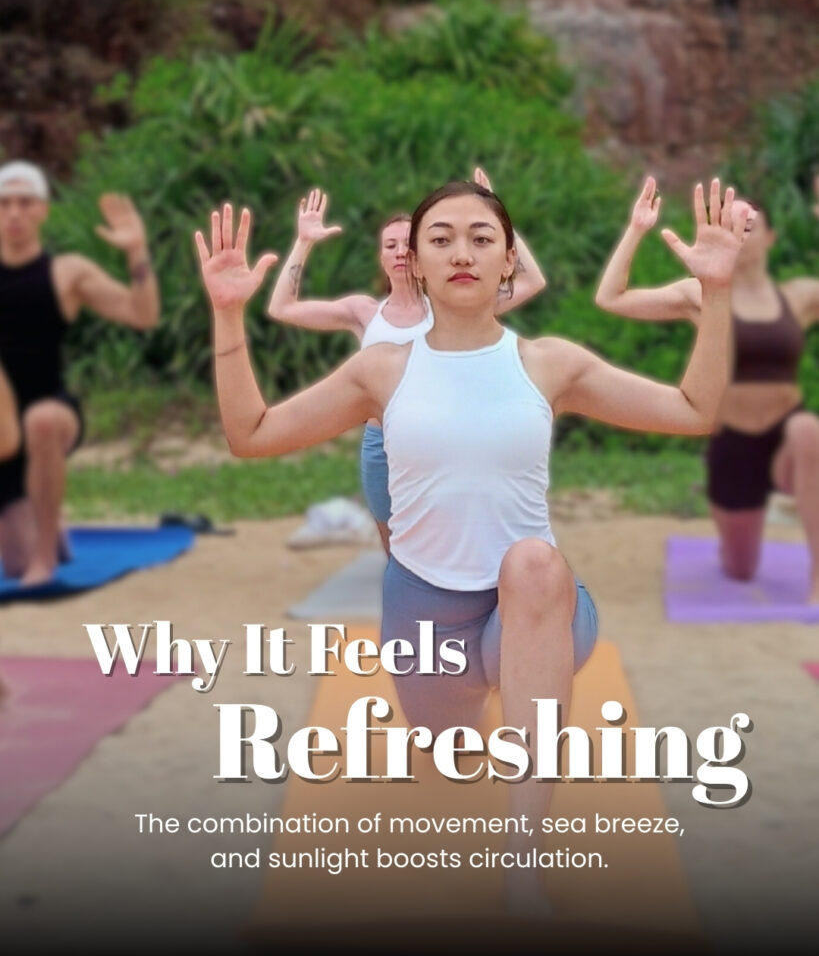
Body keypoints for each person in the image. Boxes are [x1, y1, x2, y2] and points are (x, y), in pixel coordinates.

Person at [196, 177, 747, 913]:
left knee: (532, 563)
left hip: (537, 606)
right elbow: (251, 434)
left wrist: (717, 293)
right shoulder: (381, 370)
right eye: (441, 239)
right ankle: (473, 708)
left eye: (481, 238)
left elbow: (694, 409)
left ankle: (523, 864)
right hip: (427, 619)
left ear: (508, 260)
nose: (462, 253)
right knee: (448, 746)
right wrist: (227, 313)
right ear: (415, 262)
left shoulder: (549, 363)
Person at [266, 169, 547, 552]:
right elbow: (282, 307)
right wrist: (303, 242)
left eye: (406, 243)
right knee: (395, 550)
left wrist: (495, 215)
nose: (399, 251)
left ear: (420, 254)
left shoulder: (453, 305)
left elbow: (531, 281)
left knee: (450, 543)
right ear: (381, 257)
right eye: (389, 245)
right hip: (380, 444)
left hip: (441, 440)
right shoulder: (364, 312)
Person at [596, 176, 819, 603]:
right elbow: (611, 299)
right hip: (732, 441)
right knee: (740, 568)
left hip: (788, 441)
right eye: (727, 224)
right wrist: (636, 229)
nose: (737, 235)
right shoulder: (699, 295)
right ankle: (742, 536)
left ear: (770, 238)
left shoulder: (799, 296)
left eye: (748, 227)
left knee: (808, 431)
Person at [0, 160, 160, 585]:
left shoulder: (66, 273)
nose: (13, 213)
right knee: (12, 563)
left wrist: (136, 251)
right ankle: (47, 525)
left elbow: (142, 315)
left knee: (41, 420)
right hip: (2, 435)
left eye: (24, 202)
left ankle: (45, 558)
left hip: (52, 415)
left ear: (42, 209)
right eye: (4, 203)